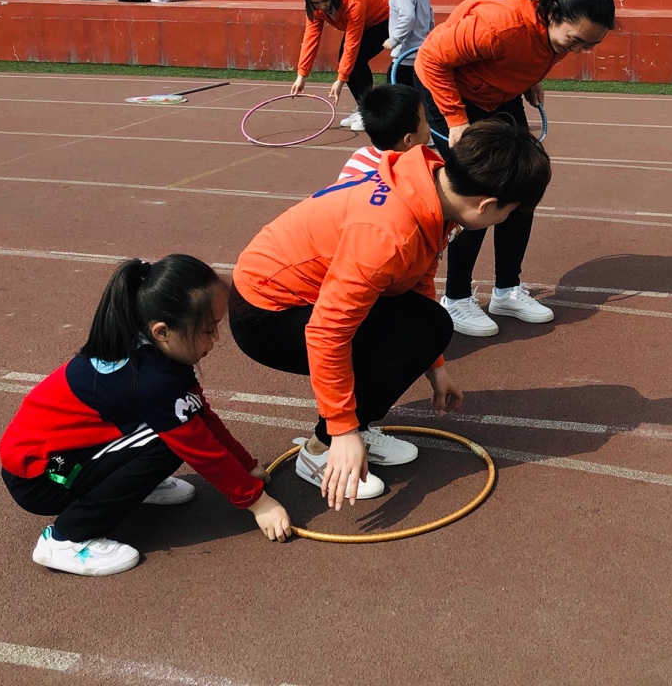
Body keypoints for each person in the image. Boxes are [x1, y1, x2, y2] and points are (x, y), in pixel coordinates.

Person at [229, 121, 551, 509]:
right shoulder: (388, 235)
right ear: (486, 206)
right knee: (405, 341)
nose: (507, 219)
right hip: (266, 314)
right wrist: (341, 430)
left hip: (306, 294)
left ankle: (353, 426)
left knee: (432, 326)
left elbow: (418, 280)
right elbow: (327, 332)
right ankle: (319, 451)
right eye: (509, 212)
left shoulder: (431, 186)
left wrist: (435, 367)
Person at [0, 255, 292, 577]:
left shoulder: (149, 348)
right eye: (208, 330)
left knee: (177, 423)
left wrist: (245, 464)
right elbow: (200, 447)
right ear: (163, 331)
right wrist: (257, 502)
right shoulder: (150, 379)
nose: (216, 339)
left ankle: (134, 485)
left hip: (60, 458)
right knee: (170, 439)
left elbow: (198, 410)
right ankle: (67, 538)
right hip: (44, 476)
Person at [414, 0, 615, 337]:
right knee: (476, 193)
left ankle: (507, 290)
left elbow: (532, 47)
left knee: (524, 184)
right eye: (575, 41)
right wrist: (456, 120)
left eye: (590, 44)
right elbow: (430, 59)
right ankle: (456, 297)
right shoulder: (499, 25)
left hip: (497, 94)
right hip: (452, 94)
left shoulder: (552, 19)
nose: (580, 50)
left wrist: (529, 79)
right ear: (552, 13)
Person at [291, 0, 391, 132]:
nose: (322, 6)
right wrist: (301, 75)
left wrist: (340, 79)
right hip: (366, 22)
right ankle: (364, 108)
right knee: (346, 59)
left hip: (385, 19)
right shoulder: (315, 9)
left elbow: (352, 45)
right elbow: (311, 38)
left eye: (325, 1)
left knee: (356, 59)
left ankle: (368, 112)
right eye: (316, 2)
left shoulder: (353, 2)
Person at [335, 82, 429, 184]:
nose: (429, 125)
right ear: (409, 140)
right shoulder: (414, 175)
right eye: (426, 121)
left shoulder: (360, 154)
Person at [375, 0, 434, 89]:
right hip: (421, 56)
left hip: (405, 60)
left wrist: (394, 39)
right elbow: (430, 19)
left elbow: (407, 17)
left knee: (395, 97)